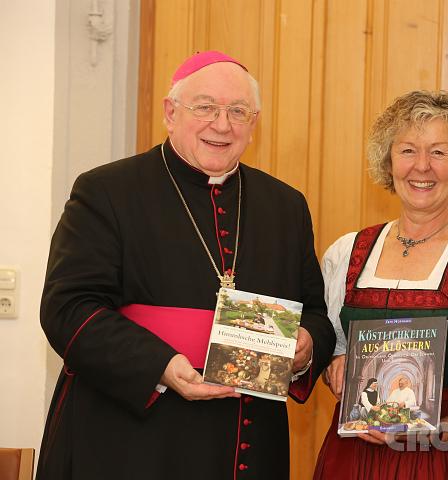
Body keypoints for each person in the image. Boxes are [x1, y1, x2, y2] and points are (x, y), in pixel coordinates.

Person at [37, 50, 335, 480]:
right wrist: (160, 364)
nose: (222, 123)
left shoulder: (285, 205)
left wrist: (307, 345)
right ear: (170, 113)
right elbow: (68, 308)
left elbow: (315, 311)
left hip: (245, 441)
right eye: (205, 107)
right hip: (129, 438)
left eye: (238, 111)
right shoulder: (107, 191)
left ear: (254, 124)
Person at [313, 90, 448, 480]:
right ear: (388, 160)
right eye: (408, 150)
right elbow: (330, 350)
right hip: (353, 460)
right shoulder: (347, 253)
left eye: (439, 153)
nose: (422, 167)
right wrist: (336, 365)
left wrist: (439, 434)